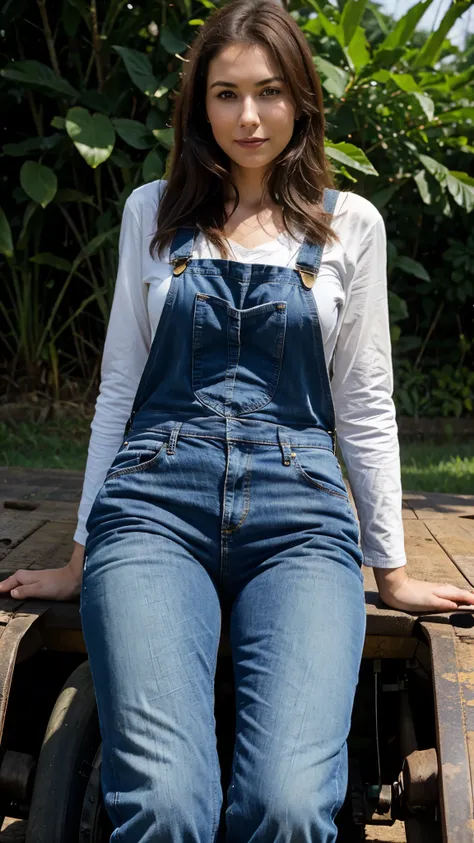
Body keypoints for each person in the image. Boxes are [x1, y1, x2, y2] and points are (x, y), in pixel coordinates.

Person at [2, 0, 474, 840]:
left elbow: (364, 402)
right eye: (225, 94)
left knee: (289, 805)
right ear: (198, 105)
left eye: (269, 91)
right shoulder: (153, 212)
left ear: (300, 99)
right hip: (153, 509)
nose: (248, 117)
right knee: (165, 805)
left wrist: (392, 571)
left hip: (301, 519)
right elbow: (119, 388)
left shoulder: (348, 224)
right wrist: (79, 553)